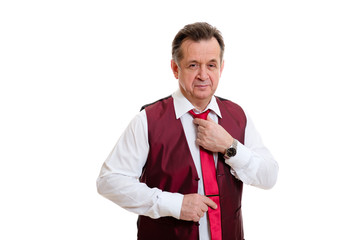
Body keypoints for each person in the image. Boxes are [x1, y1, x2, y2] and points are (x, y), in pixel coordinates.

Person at [97, 22, 279, 240]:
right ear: (176, 68)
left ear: (221, 68)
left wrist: (230, 147)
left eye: (211, 65)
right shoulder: (147, 121)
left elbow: (269, 176)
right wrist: (174, 204)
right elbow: (109, 181)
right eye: (193, 65)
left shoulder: (237, 116)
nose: (203, 75)